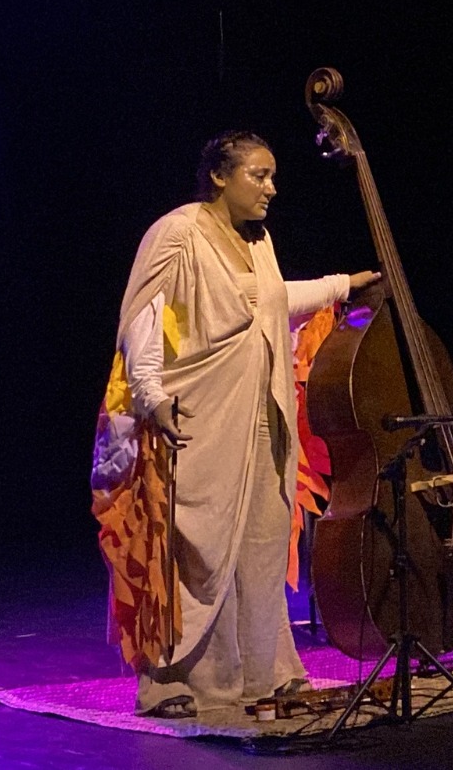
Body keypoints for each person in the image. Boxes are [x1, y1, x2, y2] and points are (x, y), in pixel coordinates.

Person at [90, 130, 380, 719]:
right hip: (200, 410)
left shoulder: (260, 240)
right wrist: (150, 395)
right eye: (259, 175)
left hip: (261, 412)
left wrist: (343, 284)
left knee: (263, 543)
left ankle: (264, 672)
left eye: (273, 176)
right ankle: (171, 680)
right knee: (198, 543)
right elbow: (145, 318)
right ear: (220, 176)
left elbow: (271, 300)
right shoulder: (178, 233)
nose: (271, 187)